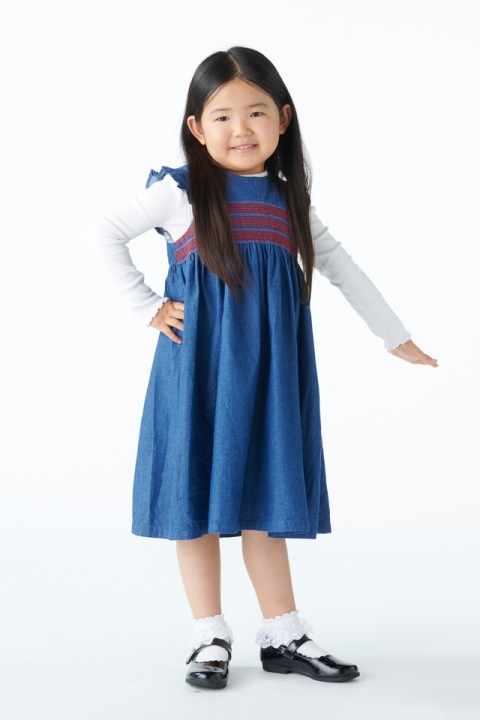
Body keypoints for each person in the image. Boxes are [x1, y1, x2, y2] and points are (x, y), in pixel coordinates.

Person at [86, 46, 438, 690]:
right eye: (222, 116)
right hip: (198, 373)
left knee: (265, 494)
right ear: (197, 127)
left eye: (256, 112)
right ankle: (209, 634)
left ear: (283, 119)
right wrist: (147, 307)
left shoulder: (288, 199)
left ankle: (283, 633)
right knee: (194, 496)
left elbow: (342, 268)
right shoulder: (180, 192)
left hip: (270, 377)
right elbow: (104, 232)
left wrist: (395, 337)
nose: (240, 129)